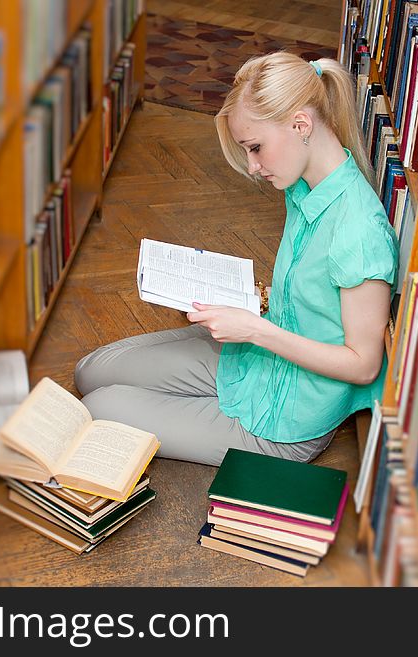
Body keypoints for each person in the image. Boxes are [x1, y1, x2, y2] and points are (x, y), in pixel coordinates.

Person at [75, 52, 398, 467]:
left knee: (100, 406)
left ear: (301, 125)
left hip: (284, 419)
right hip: (253, 363)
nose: (253, 165)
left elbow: (364, 366)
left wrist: (256, 330)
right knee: (90, 371)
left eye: (256, 148)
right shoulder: (304, 187)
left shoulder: (359, 231)